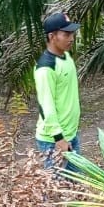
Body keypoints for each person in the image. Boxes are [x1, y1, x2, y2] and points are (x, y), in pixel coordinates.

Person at [33, 11, 82, 175]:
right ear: (52, 36)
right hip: (53, 141)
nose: (71, 38)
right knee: (55, 192)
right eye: (66, 34)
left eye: (72, 33)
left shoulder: (66, 57)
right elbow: (46, 106)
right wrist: (59, 139)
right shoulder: (46, 68)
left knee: (76, 187)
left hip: (71, 135)